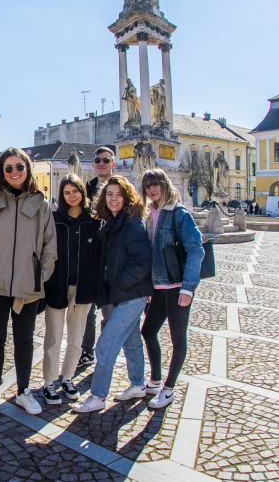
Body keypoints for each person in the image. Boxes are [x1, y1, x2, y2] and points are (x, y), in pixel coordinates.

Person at [0, 147, 56, 415]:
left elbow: (49, 246)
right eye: (9, 168)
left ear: (27, 169)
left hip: (27, 286)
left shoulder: (40, 204)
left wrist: (39, 277)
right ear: (1, 172)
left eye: (19, 167)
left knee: (24, 340)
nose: (14, 172)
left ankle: (23, 391)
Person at [74, 175, 153, 414]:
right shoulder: (113, 221)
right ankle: (138, 384)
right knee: (131, 341)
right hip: (123, 293)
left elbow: (142, 261)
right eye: (109, 194)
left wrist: (119, 283)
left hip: (132, 293)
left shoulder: (131, 222)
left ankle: (97, 396)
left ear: (127, 196)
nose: (114, 199)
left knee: (106, 344)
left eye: (119, 194)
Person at [139, 169, 205, 409]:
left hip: (177, 287)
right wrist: (148, 284)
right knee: (148, 331)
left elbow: (196, 249)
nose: (152, 190)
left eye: (155, 184)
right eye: (147, 186)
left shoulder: (179, 213)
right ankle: (155, 379)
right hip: (157, 288)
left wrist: (188, 288)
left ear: (165, 185)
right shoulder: (150, 214)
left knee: (178, 339)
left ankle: (168, 389)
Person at [41, 174, 103, 405]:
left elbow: (99, 255)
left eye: (75, 191)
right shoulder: (54, 219)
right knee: (53, 338)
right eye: (67, 192)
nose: (72, 195)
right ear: (62, 195)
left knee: (76, 339)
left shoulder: (93, 220)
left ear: (82, 192)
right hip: (57, 286)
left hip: (83, 288)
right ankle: (49, 382)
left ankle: (67, 378)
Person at [79, 145, 116, 373]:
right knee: (87, 311)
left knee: (110, 312)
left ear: (113, 163)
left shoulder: (121, 187)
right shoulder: (88, 189)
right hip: (91, 259)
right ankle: (86, 351)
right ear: (93, 164)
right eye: (98, 160)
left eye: (106, 160)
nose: (101, 163)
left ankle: (106, 351)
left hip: (113, 260)